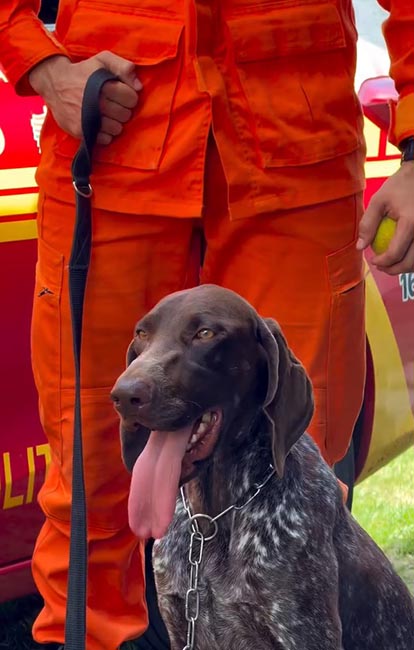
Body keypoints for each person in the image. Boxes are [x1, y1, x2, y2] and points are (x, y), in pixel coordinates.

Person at [1, 1, 414, 648]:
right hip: (112, 148)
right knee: (94, 480)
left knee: (297, 473)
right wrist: (42, 64)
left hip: (292, 158)